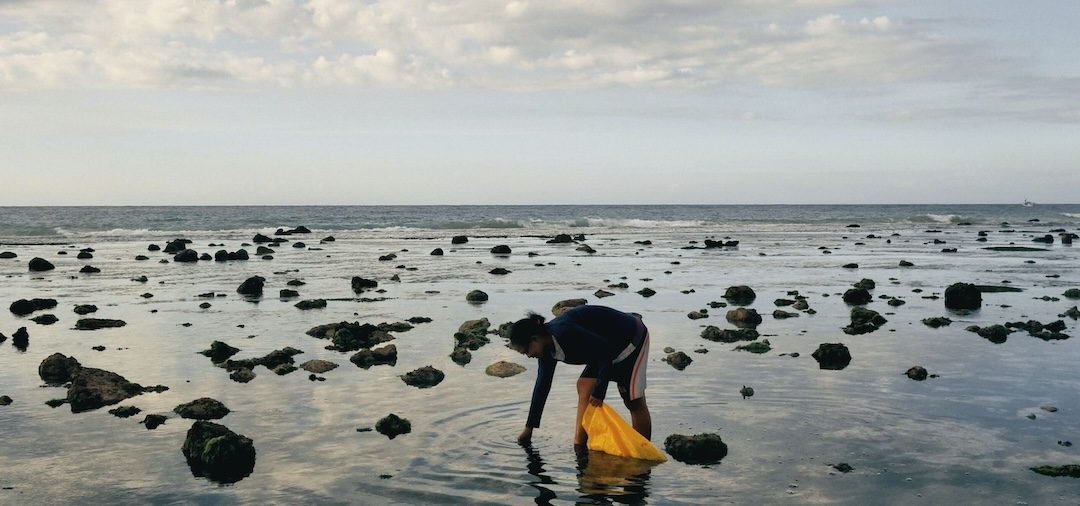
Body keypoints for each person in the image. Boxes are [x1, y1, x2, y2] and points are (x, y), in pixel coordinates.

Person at [509, 305, 651, 446]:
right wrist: (529, 428)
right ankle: (579, 445)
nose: (528, 356)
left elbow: (605, 351)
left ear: (535, 339)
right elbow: (542, 386)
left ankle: (643, 452)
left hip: (631, 339)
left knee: (633, 402)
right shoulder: (546, 350)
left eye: (526, 351)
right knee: (584, 385)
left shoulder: (564, 333)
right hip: (605, 346)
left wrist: (599, 392)